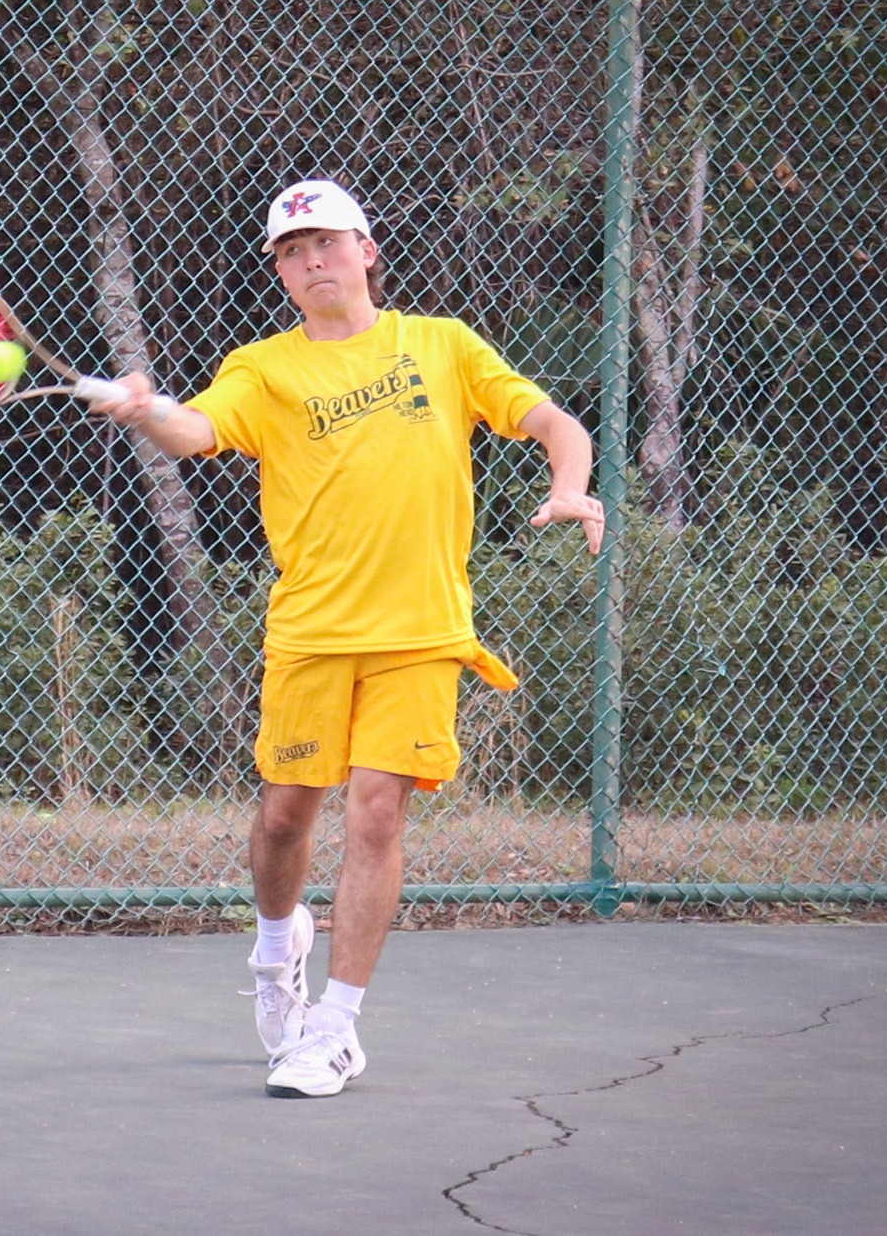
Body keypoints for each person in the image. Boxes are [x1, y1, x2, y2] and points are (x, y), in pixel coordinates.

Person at [89, 179, 603, 1098]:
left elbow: (552, 419)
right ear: (282, 274)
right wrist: (145, 408)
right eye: (292, 251)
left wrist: (570, 483)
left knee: (377, 812)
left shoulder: (440, 345)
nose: (311, 260)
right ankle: (277, 950)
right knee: (286, 815)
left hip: (420, 631)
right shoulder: (264, 368)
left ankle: (333, 1026)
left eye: (326, 241)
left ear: (366, 251)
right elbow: (193, 428)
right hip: (311, 633)